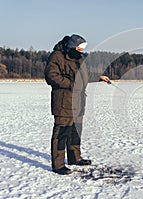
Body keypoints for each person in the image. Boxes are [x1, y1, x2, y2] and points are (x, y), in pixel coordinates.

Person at [44, 34, 110, 175]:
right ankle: (58, 164)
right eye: (79, 48)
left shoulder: (78, 57)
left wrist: (99, 77)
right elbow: (51, 76)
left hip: (78, 102)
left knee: (75, 131)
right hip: (63, 102)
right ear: (72, 46)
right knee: (61, 133)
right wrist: (72, 84)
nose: (81, 51)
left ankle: (75, 158)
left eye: (82, 49)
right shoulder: (57, 56)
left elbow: (84, 75)